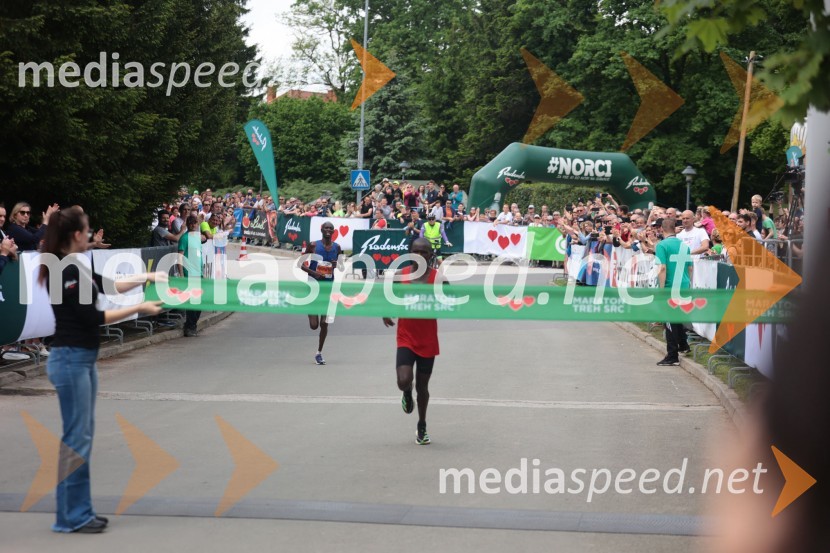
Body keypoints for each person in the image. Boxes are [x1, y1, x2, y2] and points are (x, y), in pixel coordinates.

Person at [38, 207, 164, 533]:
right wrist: (140, 307)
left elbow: (109, 285)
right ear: (76, 234)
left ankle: (77, 512)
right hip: (71, 359)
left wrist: (146, 277)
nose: (91, 233)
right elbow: (92, 318)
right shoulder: (65, 270)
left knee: (80, 438)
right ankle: (72, 516)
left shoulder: (73, 266)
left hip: (80, 359)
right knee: (76, 440)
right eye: (88, 229)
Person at [382, 238, 445, 445]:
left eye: (424, 252)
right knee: (403, 380)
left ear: (430, 255)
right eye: (415, 251)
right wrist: (386, 311)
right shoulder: (400, 276)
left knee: (423, 387)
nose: (419, 255)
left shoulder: (438, 278)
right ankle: (406, 392)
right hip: (406, 336)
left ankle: (422, 424)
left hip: (428, 339)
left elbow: (452, 299)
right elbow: (388, 295)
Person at [301, 221, 342, 365]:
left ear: (334, 231)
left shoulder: (337, 247)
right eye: (326, 228)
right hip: (313, 286)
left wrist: (336, 265)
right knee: (314, 325)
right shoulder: (313, 245)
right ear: (321, 230)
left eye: (331, 228)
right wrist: (314, 273)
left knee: (324, 323)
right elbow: (301, 264)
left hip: (328, 287)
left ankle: (319, 353)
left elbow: (340, 266)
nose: (328, 230)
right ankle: (309, 308)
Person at [654, 218, 692, 366]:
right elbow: (690, 267)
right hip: (684, 284)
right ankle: (683, 345)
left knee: (669, 320)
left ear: (662, 229)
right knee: (677, 317)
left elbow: (662, 268)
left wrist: (661, 289)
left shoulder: (662, 245)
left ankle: (672, 355)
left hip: (671, 286)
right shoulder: (684, 245)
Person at [178, 215, 204, 337]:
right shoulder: (184, 238)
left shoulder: (197, 238)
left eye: (195, 223)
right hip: (189, 274)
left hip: (199, 274)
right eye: (191, 223)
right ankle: (190, 327)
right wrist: (182, 274)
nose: (193, 225)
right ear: (188, 224)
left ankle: (192, 325)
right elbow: (180, 257)